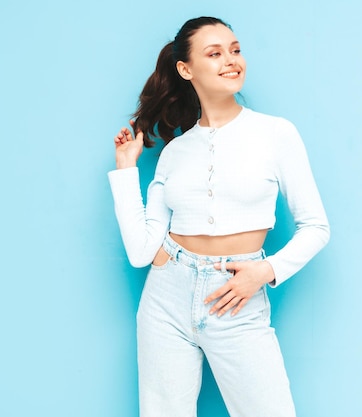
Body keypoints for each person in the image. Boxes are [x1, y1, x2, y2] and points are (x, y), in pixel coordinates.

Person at [108, 16, 330, 417]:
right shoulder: (175, 152)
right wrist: (126, 170)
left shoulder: (276, 134)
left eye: (236, 50)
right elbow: (141, 252)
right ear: (185, 69)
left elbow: (316, 227)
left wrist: (265, 272)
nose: (231, 60)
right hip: (165, 300)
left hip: (237, 297)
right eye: (215, 53)